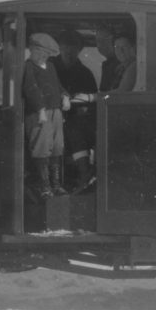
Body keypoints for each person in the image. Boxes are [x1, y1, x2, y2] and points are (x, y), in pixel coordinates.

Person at [22, 33, 71, 199]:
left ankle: (56, 185)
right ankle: (45, 187)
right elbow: (31, 88)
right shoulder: (28, 66)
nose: (43, 57)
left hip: (55, 111)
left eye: (46, 54)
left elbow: (58, 85)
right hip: (39, 114)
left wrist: (65, 96)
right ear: (32, 51)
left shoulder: (50, 67)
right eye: (39, 53)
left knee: (57, 147)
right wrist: (40, 109)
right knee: (41, 148)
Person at [49, 30, 98, 190]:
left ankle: (84, 173)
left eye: (74, 48)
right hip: (47, 115)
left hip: (74, 120)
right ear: (60, 47)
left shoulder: (85, 74)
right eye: (66, 47)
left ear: (79, 50)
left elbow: (92, 105)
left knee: (74, 128)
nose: (69, 51)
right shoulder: (48, 67)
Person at [96, 25, 119, 92]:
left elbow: (109, 96)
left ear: (114, 41)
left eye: (106, 40)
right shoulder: (107, 64)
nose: (101, 44)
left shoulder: (120, 64)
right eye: (98, 40)